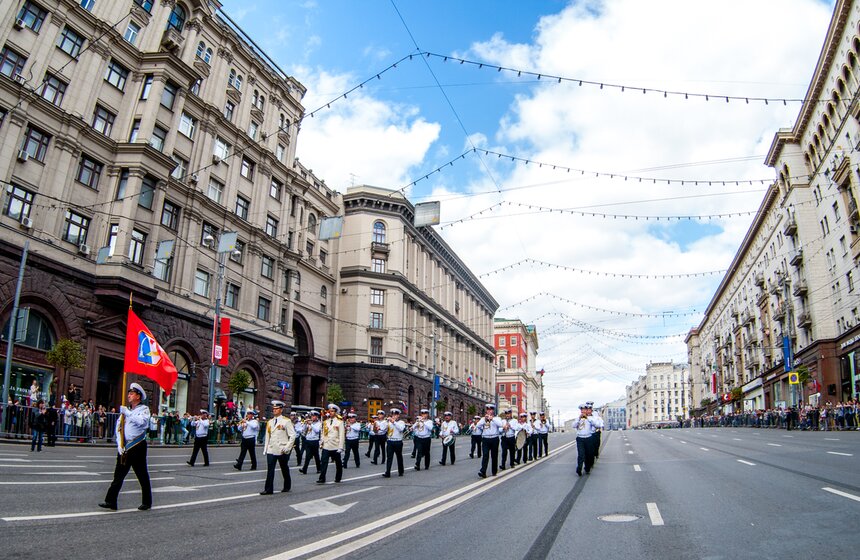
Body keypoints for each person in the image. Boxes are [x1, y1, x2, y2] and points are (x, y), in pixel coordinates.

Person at [99, 383, 152, 511]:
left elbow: (142, 423)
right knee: (118, 475)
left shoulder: (143, 409)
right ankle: (111, 501)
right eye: (128, 393)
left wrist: (127, 412)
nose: (129, 395)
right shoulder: (126, 411)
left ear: (138, 396)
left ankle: (147, 502)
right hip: (125, 446)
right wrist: (119, 444)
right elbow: (118, 428)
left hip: (137, 445)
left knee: (142, 474)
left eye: (132, 393)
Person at [260, 400, 295, 495]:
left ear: (281, 410)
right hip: (271, 448)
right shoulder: (270, 422)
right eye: (274, 409)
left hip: (281, 449)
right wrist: (266, 449)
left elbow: (292, 436)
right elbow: (268, 436)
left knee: (284, 467)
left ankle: (287, 485)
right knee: (270, 469)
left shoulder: (286, 421)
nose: (274, 410)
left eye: (277, 409)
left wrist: (287, 447)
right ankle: (268, 489)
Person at [317, 404, 345, 484]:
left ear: (336, 412)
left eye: (333, 411)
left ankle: (338, 477)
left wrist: (340, 447)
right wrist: (321, 441)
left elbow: (341, 435)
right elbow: (323, 433)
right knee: (324, 462)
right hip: (326, 445)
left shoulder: (339, 422)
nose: (331, 413)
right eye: (330, 411)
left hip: (335, 445)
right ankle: (322, 478)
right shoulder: (326, 422)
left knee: (338, 463)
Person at [477, 404, 505, 478]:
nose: (489, 411)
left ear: (493, 410)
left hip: (494, 438)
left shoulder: (497, 418)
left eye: (491, 410)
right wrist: (485, 420)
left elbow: (500, 424)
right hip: (485, 438)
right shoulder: (483, 419)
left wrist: (492, 419)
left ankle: (494, 471)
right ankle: (483, 471)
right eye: (488, 409)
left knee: (494, 455)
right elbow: (478, 426)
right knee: (485, 455)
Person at [382, 408, 406, 478]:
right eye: (392, 415)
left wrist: (394, 422)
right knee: (389, 457)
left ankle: (401, 471)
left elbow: (401, 429)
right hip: (390, 441)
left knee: (399, 457)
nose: (393, 416)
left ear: (398, 415)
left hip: (398, 441)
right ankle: (387, 472)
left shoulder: (401, 422)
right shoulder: (388, 422)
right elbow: (383, 429)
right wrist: (384, 422)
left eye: (395, 415)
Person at [575, 404, 595, 476]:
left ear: (587, 411)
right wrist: (579, 419)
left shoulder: (590, 419)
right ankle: (579, 469)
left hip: (588, 438)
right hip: (580, 438)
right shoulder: (578, 419)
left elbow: (596, 424)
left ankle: (587, 468)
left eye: (584, 410)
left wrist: (588, 419)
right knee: (581, 455)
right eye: (582, 410)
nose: (583, 411)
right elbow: (573, 425)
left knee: (588, 454)